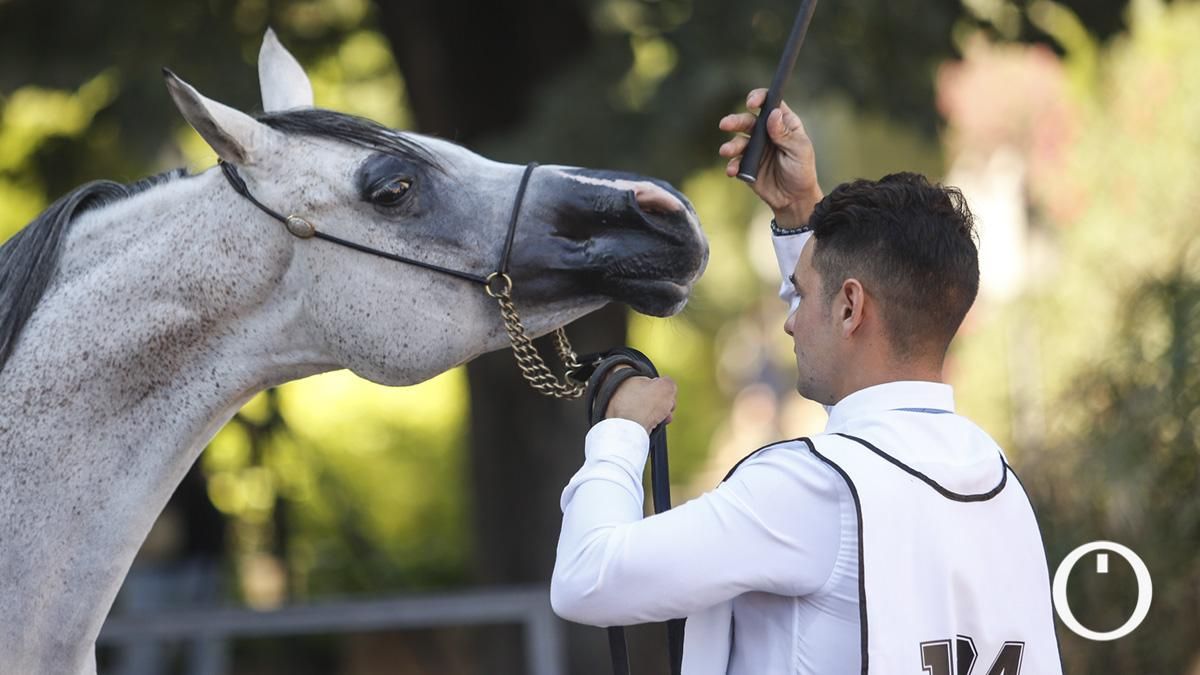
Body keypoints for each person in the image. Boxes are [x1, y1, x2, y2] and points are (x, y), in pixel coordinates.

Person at [550, 89, 1063, 675]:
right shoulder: (996, 478)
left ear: (850, 307)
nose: (790, 322)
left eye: (803, 295)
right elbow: (864, 451)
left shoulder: (805, 489)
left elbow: (586, 579)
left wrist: (620, 432)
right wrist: (801, 216)